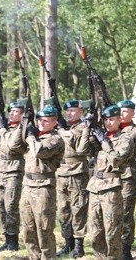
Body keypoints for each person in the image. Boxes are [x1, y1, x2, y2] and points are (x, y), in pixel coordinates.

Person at [10, 105, 64, 259]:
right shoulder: (34, 137)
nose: (41, 123)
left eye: (46, 120)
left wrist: (31, 136)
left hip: (43, 187)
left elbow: (39, 152)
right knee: (28, 229)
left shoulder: (56, 139)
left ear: (54, 122)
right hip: (28, 186)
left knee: (44, 229)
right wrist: (23, 124)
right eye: (39, 119)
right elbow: (14, 146)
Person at [87, 105, 133, 259]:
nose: (108, 122)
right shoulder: (101, 138)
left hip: (111, 189)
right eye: (105, 120)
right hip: (95, 187)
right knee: (95, 233)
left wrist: (104, 141)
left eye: (111, 119)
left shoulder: (125, 139)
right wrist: (89, 129)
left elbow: (117, 160)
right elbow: (82, 150)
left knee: (112, 235)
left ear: (119, 119)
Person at [55, 100, 91, 258]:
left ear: (81, 112)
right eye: (67, 111)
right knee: (63, 210)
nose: (68, 113)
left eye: (72, 110)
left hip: (77, 174)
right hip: (62, 173)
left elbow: (72, 140)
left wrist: (61, 129)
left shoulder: (83, 127)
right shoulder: (67, 128)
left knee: (78, 209)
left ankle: (78, 245)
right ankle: (67, 242)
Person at [0, 102, 25, 252]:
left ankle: (13, 241)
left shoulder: (23, 129)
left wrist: (2, 129)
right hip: (0, 170)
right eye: (10, 111)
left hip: (14, 171)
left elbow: (11, 145)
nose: (11, 114)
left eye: (15, 111)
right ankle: (6, 238)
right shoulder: (6, 126)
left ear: (22, 114)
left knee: (10, 206)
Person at [116, 100, 136, 259]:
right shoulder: (113, 129)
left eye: (124, 111)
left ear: (133, 113)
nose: (121, 114)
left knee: (125, 212)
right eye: (119, 111)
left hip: (127, 175)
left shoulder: (135, 131)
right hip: (111, 176)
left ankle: (125, 248)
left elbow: (127, 150)